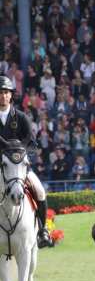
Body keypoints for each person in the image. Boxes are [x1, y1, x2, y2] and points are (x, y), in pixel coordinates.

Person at [0, 76, 53, 248]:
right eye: (0, 93)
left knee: (40, 190)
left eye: (6, 92)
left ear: (11, 95)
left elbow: (31, 140)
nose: (3, 96)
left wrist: (18, 153)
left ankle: (43, 230)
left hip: (19, 167)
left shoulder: (20, 117)